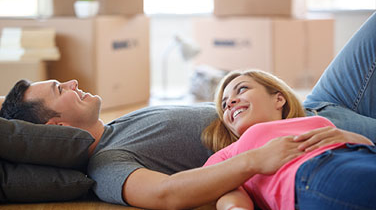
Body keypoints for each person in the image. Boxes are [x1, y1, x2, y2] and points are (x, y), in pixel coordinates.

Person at [0, 11, 375, 210]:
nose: (71, 82)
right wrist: (255, 160)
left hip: (312, 106)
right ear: (58, 126)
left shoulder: (118, 125)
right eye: (58, 90)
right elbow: (167, 194)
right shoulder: (108, 165)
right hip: (317, 141)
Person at [203, 69, 375, 210]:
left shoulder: (312, 119)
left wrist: (356, 138)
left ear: (279, 99)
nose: (230, 102)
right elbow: (224, 193)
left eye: (242, 89)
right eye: (225, 105)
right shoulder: (231, 153)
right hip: (317, 171)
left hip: (365, 153)